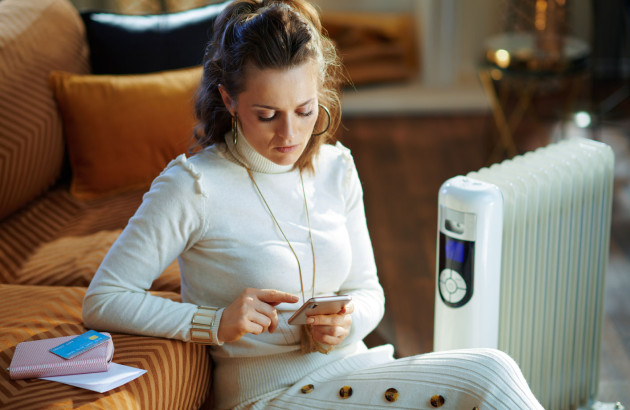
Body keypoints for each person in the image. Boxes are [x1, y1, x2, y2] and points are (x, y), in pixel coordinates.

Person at [83, 1, 544, 408]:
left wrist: (346, 322)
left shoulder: (336, 167)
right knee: (490, 377)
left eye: (304, 111)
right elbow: (104, 299)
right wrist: (214, 322)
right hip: (268, 396)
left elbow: (368, 291)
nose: (289, 136)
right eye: (267, 115)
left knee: (492, 370)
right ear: (229, 100)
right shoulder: (193, 186)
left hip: (355, 372)